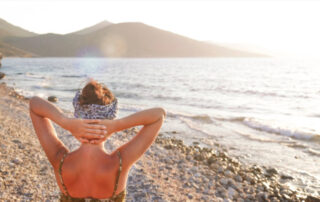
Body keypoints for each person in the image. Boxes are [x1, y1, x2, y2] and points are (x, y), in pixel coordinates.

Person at [29, 80, 166, 201]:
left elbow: (34, 104)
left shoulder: (59, 159)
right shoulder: (119, 163)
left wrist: (66, 122)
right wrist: (118, 125)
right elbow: (158, 115)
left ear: (78, 116)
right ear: (110, 119)